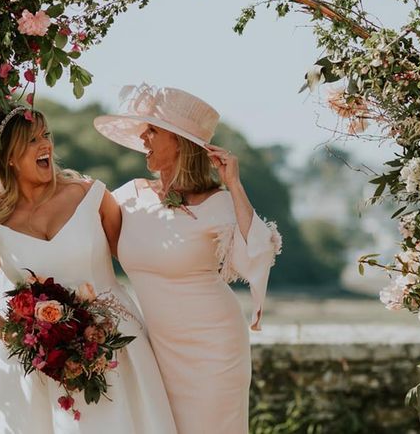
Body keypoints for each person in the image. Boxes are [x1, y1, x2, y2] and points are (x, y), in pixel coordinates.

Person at [0, 106, 177, 434]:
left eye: (46, 135)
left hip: (116, 346)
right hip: (37, 364)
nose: (45, 145)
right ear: (8, 157)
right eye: (32, 140)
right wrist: (16, 334)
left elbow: (138, 258)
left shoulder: (90, 195)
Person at [94, 84, 282, 434]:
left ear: (179, 141)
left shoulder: (218, 203)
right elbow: (83, 232)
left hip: (215, 350)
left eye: (153, 131)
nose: (143, 137)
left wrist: (235, 186)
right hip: (156, 351)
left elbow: (256, 255)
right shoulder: (129, 197)